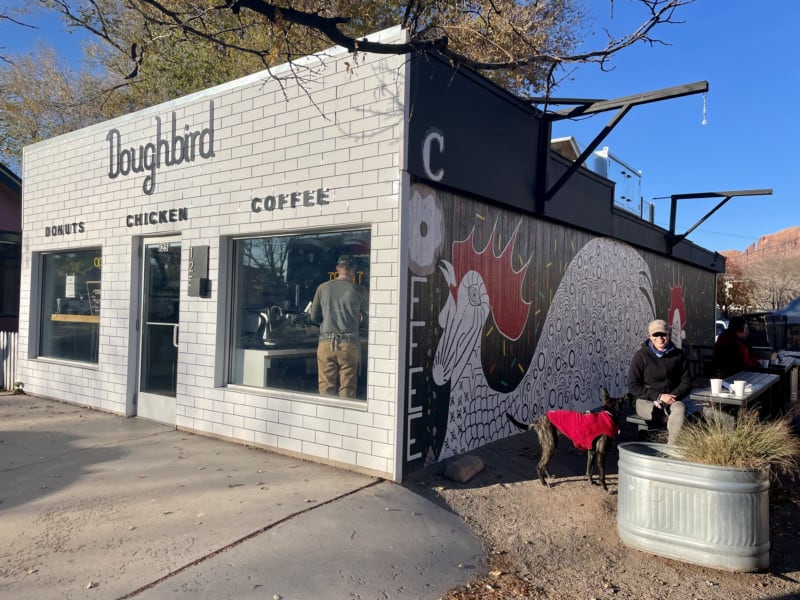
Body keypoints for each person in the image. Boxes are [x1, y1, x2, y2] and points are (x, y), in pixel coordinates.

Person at [309, 255, 368, 398]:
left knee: (326, 388)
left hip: (326, 343)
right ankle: (345, 418)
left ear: (337, 269)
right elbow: (367, 320)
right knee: (348, 389)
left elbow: (314, 318)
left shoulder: (322, 288)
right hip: (349, 344)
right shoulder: (360, 290)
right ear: (353, 270)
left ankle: (327, 418)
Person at [627, 319, 693, 445]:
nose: (660, 338)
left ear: (669, 334)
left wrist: (672, 396)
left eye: (663, 334)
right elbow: (633, 385)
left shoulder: (679, 355)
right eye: (655, 335)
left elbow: (687, 382)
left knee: (680, 409)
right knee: (659, 414)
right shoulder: (641, 356)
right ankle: (651, 447)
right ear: (650, 337)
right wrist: (658, 396)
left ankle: (670, 449)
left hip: (672, 399)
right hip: (646, 400)